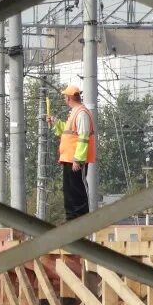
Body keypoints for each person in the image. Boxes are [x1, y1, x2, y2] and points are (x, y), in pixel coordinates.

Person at [47, 84, 97, 220]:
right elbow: (68, 131)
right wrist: (56, 122)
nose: (64, 99)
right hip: (69, 159)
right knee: (69, 191)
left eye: (64, 97)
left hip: (75, 160)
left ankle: (80, 219)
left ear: (68, 98)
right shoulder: (76, 113)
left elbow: (83, 137)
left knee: (77, 190)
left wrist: (79, 159)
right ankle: (71, 219)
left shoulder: (81, 113)